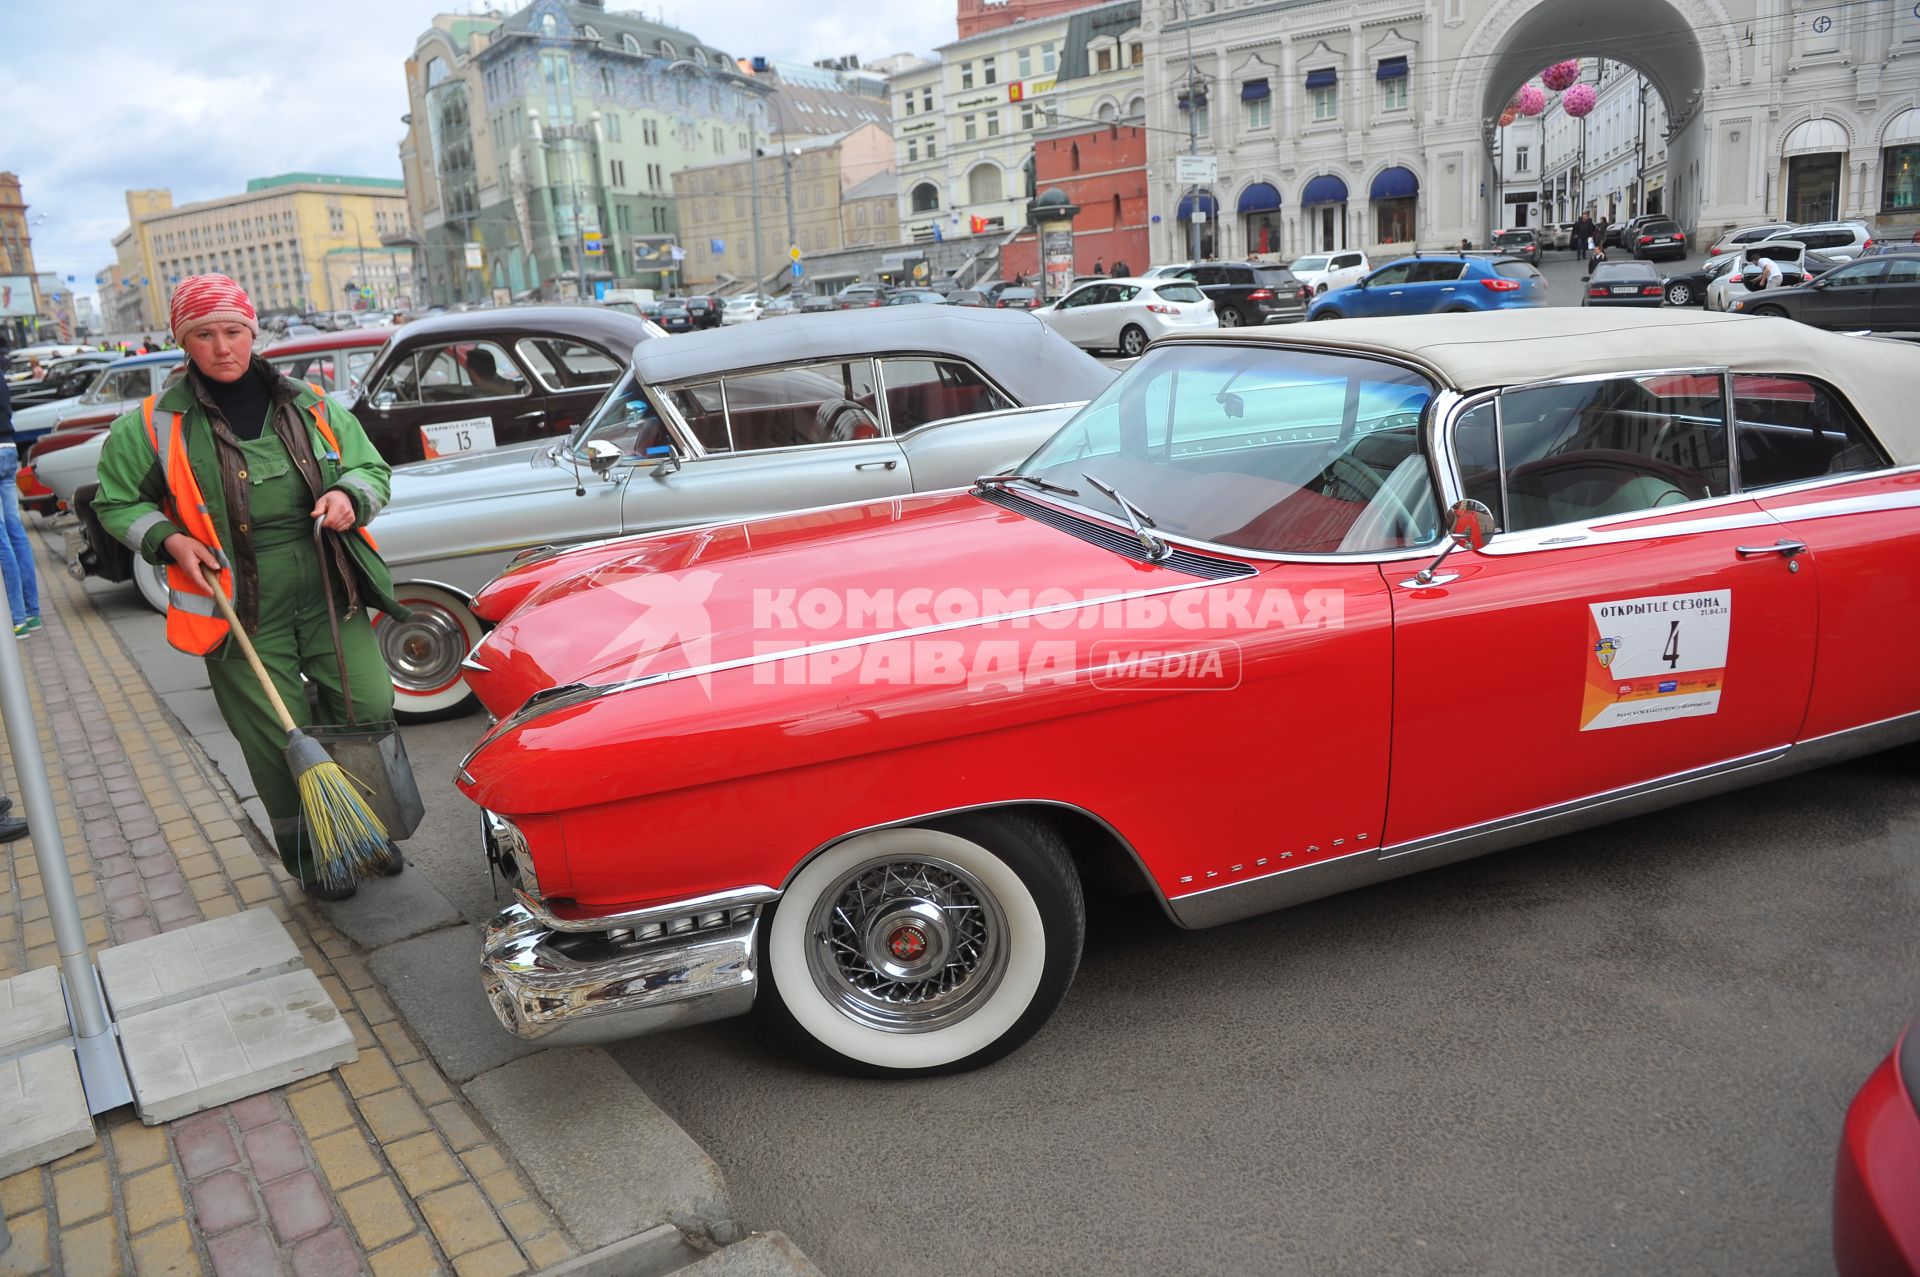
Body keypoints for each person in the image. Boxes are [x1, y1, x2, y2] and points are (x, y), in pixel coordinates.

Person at [92, 275, 406, 901]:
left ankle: (367, 834)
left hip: (325, 586)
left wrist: (348, 495)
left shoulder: (311, 405)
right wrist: (170, 542)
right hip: (238, 607)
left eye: (232, 331)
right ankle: (317, 859)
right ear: (183, 342)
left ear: (253, 331)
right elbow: (116, 502)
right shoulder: (154, 425)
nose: (221, 346)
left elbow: (372, 467)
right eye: (203, 335)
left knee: (366, 709)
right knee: (273, 740)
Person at [0, 372, 41, 639]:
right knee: (15, 531)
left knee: (2, 537)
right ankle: (31, 613)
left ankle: (16, 619)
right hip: (7, 449)